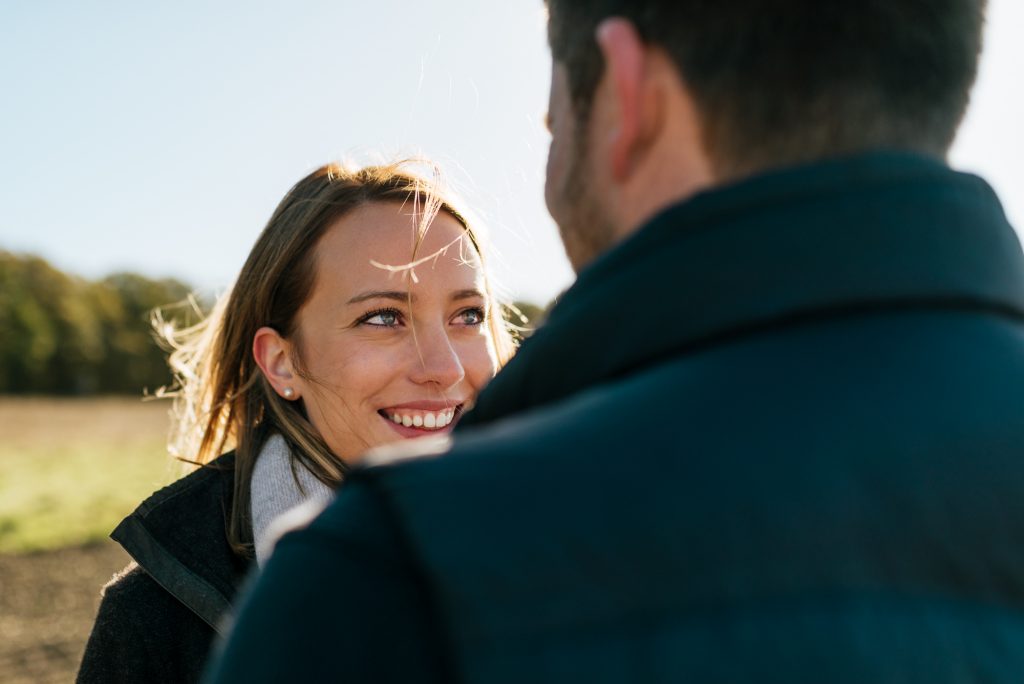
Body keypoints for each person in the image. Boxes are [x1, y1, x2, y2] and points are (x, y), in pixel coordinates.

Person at [208, 0, 1024, 681]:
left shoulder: (390, 581)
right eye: (383, 315)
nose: (444, 364)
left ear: (628, 91)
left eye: (553, 115)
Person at [76, 161, 514, 683]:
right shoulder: (156, 621)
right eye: (383, 317)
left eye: (468, 315)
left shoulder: (581, 550)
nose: (444, 368)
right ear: (282, 362)